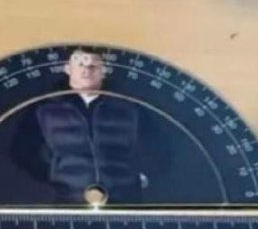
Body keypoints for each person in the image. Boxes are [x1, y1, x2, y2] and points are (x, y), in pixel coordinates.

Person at [11, 48, 170, 205]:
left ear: (104, 71)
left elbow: (159, 147)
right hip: (68, 200)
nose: (86, 70)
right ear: (68, 69)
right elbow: (22, 150)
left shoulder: (130, 107)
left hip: (124, 200)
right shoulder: (44, 108)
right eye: (80, 64)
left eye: (93, 66)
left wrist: (140, 178)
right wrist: (54, 178)